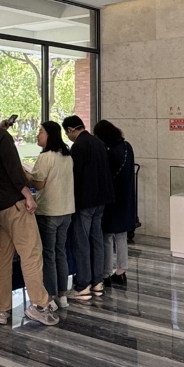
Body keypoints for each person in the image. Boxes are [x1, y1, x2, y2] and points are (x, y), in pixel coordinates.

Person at [0, 99, 58, 326]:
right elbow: (13, 168)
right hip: (14, 204)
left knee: (2, 257)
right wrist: (28, 195)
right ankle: (39, 304)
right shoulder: (1, 137)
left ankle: (2, 309)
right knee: (31, 254)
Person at [62, 115, 114, 301]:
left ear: (70, 130)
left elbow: (75, 175)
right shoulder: (98, 143)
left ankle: (83, 285)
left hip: (85, 201)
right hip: (101, 199)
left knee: (82, 243)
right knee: (97, 241)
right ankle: (98, 282)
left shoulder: (78, 146)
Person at [26, 121, 74, 310]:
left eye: (41, 132)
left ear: (50, 135)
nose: (38, 135)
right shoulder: (67, 156)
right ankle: (62, 295)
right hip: (66, 210)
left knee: (48, 255)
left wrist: (25, 173)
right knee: (60, 252)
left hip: (49, 212)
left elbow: (38, 185)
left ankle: (50, 297)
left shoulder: (45, 157)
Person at [93, 121, 136, 289]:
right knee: (121, 236)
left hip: (112, 200)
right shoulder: (127, 146)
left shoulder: (110, 153)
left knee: (107, 237)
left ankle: (105, 273)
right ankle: (121, 271)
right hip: (126, 198)